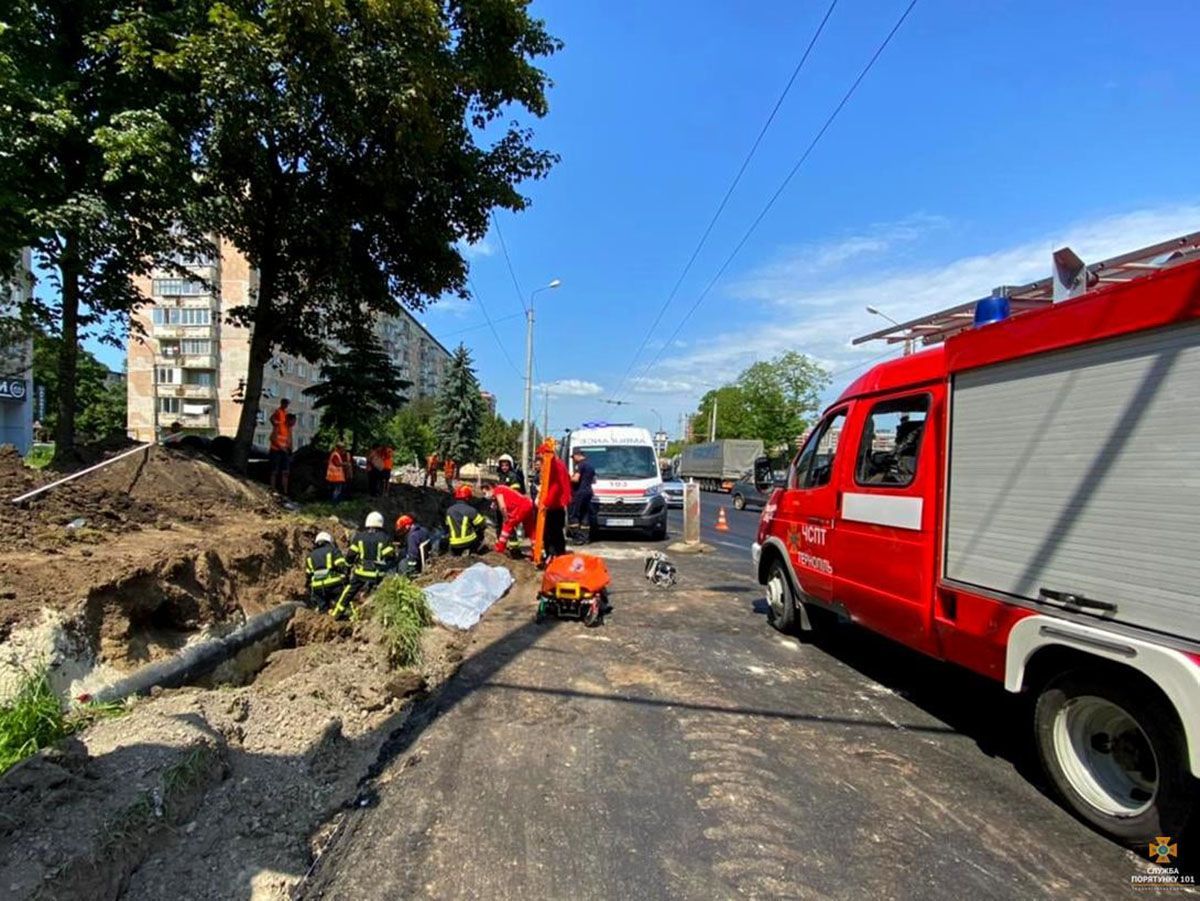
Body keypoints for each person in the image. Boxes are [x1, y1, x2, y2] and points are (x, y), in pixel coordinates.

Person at [333, 511, 396, 618]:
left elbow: (351, 555)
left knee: (349, 591)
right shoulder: (385, 537)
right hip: (377, 574)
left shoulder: (359, 536)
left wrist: (347, 568)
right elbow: (390, 557)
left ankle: (337, 613)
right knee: (379, 594)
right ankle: (377, 616)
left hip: (360, 573)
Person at [538, 441, 572, 559]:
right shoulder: (559, 464)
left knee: (550, 534)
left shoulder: (553, 466)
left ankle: (552, 557)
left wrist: (546, 503)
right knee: (557, 533)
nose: (540, 458)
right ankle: (559, 556)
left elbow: (555, 486)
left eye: (541, 455)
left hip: (553, 506)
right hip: (558, 505)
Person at [483, 482, 536, 556]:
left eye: (485, 493)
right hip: (528, 504)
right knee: (531, 530)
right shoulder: (502, 488)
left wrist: (505, 518)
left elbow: (502, 507)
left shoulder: (498, 490)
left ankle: (500, 548)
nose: (485, 495)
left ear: (490, 488)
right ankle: (537, 550)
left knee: (507, 525)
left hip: (521, 507)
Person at [305, 531, 347, 613]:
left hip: (317, 588)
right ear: (329, 541)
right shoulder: (334, 551)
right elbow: (342, 566)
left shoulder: (309, 556)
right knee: (343, 605)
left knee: (323, 611)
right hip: (334, 585)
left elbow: (308, 575)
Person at [445, 484, 488, 556]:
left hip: (454, 543)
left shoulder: (449, 510)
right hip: (469, 542)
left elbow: (447, 525)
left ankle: (454, 555)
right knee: (480, 533)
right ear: (468, 498)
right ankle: (474, 552)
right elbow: (482, 525)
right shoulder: (471, 510)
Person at [569, 448, 598, 543]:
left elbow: (576, 479)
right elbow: (594, 480)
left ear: (578, 455)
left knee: (574, 514)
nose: (573, 459)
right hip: (588, 492)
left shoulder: (580, 465)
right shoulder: (591, 466)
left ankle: (577, 538)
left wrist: (568, 478)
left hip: (579, 493)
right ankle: (585, 537)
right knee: (585, 514)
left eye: (573, 457)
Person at [269, 411, 294, 495]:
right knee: (274, 471)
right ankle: (272, 489)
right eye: (292, 421)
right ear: (288, 420)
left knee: (286, 472)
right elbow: (272, 438)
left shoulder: (289, 429)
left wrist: (290, 449)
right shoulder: (279, 425)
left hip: (285, 452)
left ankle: (285, 491)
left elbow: (289, 440)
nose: (294, 424)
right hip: (276, 451)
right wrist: (281, 448)